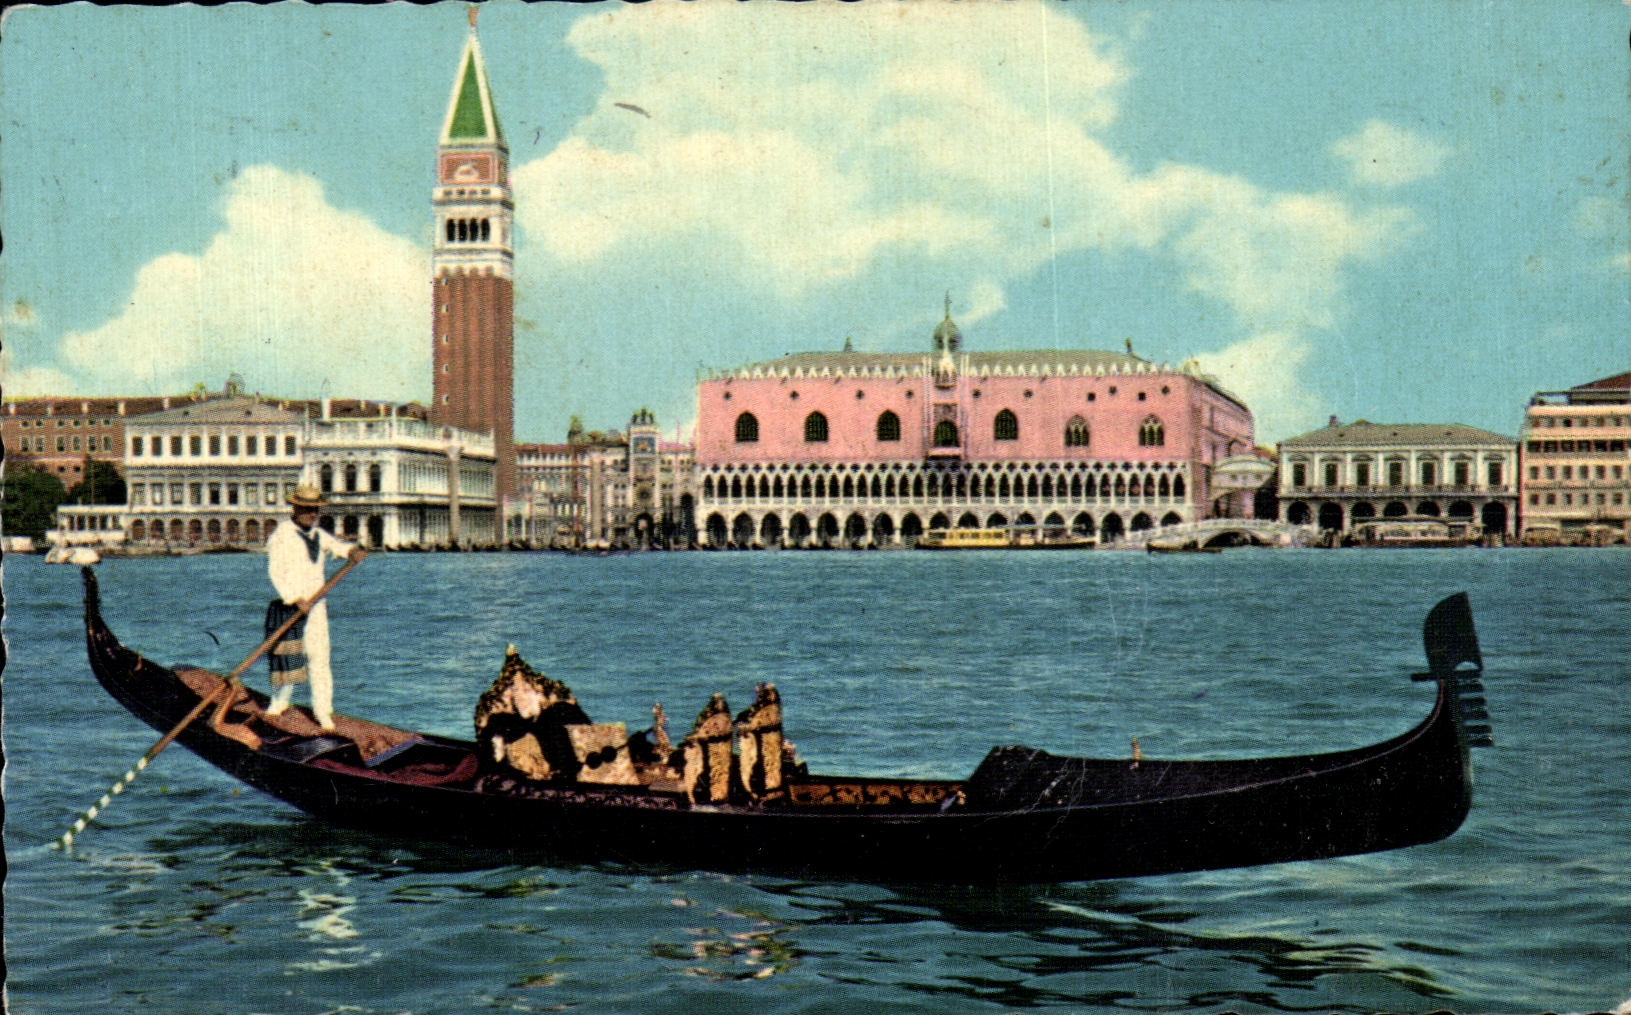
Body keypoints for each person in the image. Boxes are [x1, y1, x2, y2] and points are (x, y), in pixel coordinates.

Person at [265, 484, 365, 729]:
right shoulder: (281, 536)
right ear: (296, 509)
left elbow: (338, 547)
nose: (312, 514)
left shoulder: (319, 535)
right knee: (288, 657)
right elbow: (276, 572)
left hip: (317, 607)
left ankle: (323, 712)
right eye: (308, 510)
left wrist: (352, 550)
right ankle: (278, 706)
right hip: (292, 606)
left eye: (316, 510)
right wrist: (294, 598)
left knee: (319, 658)